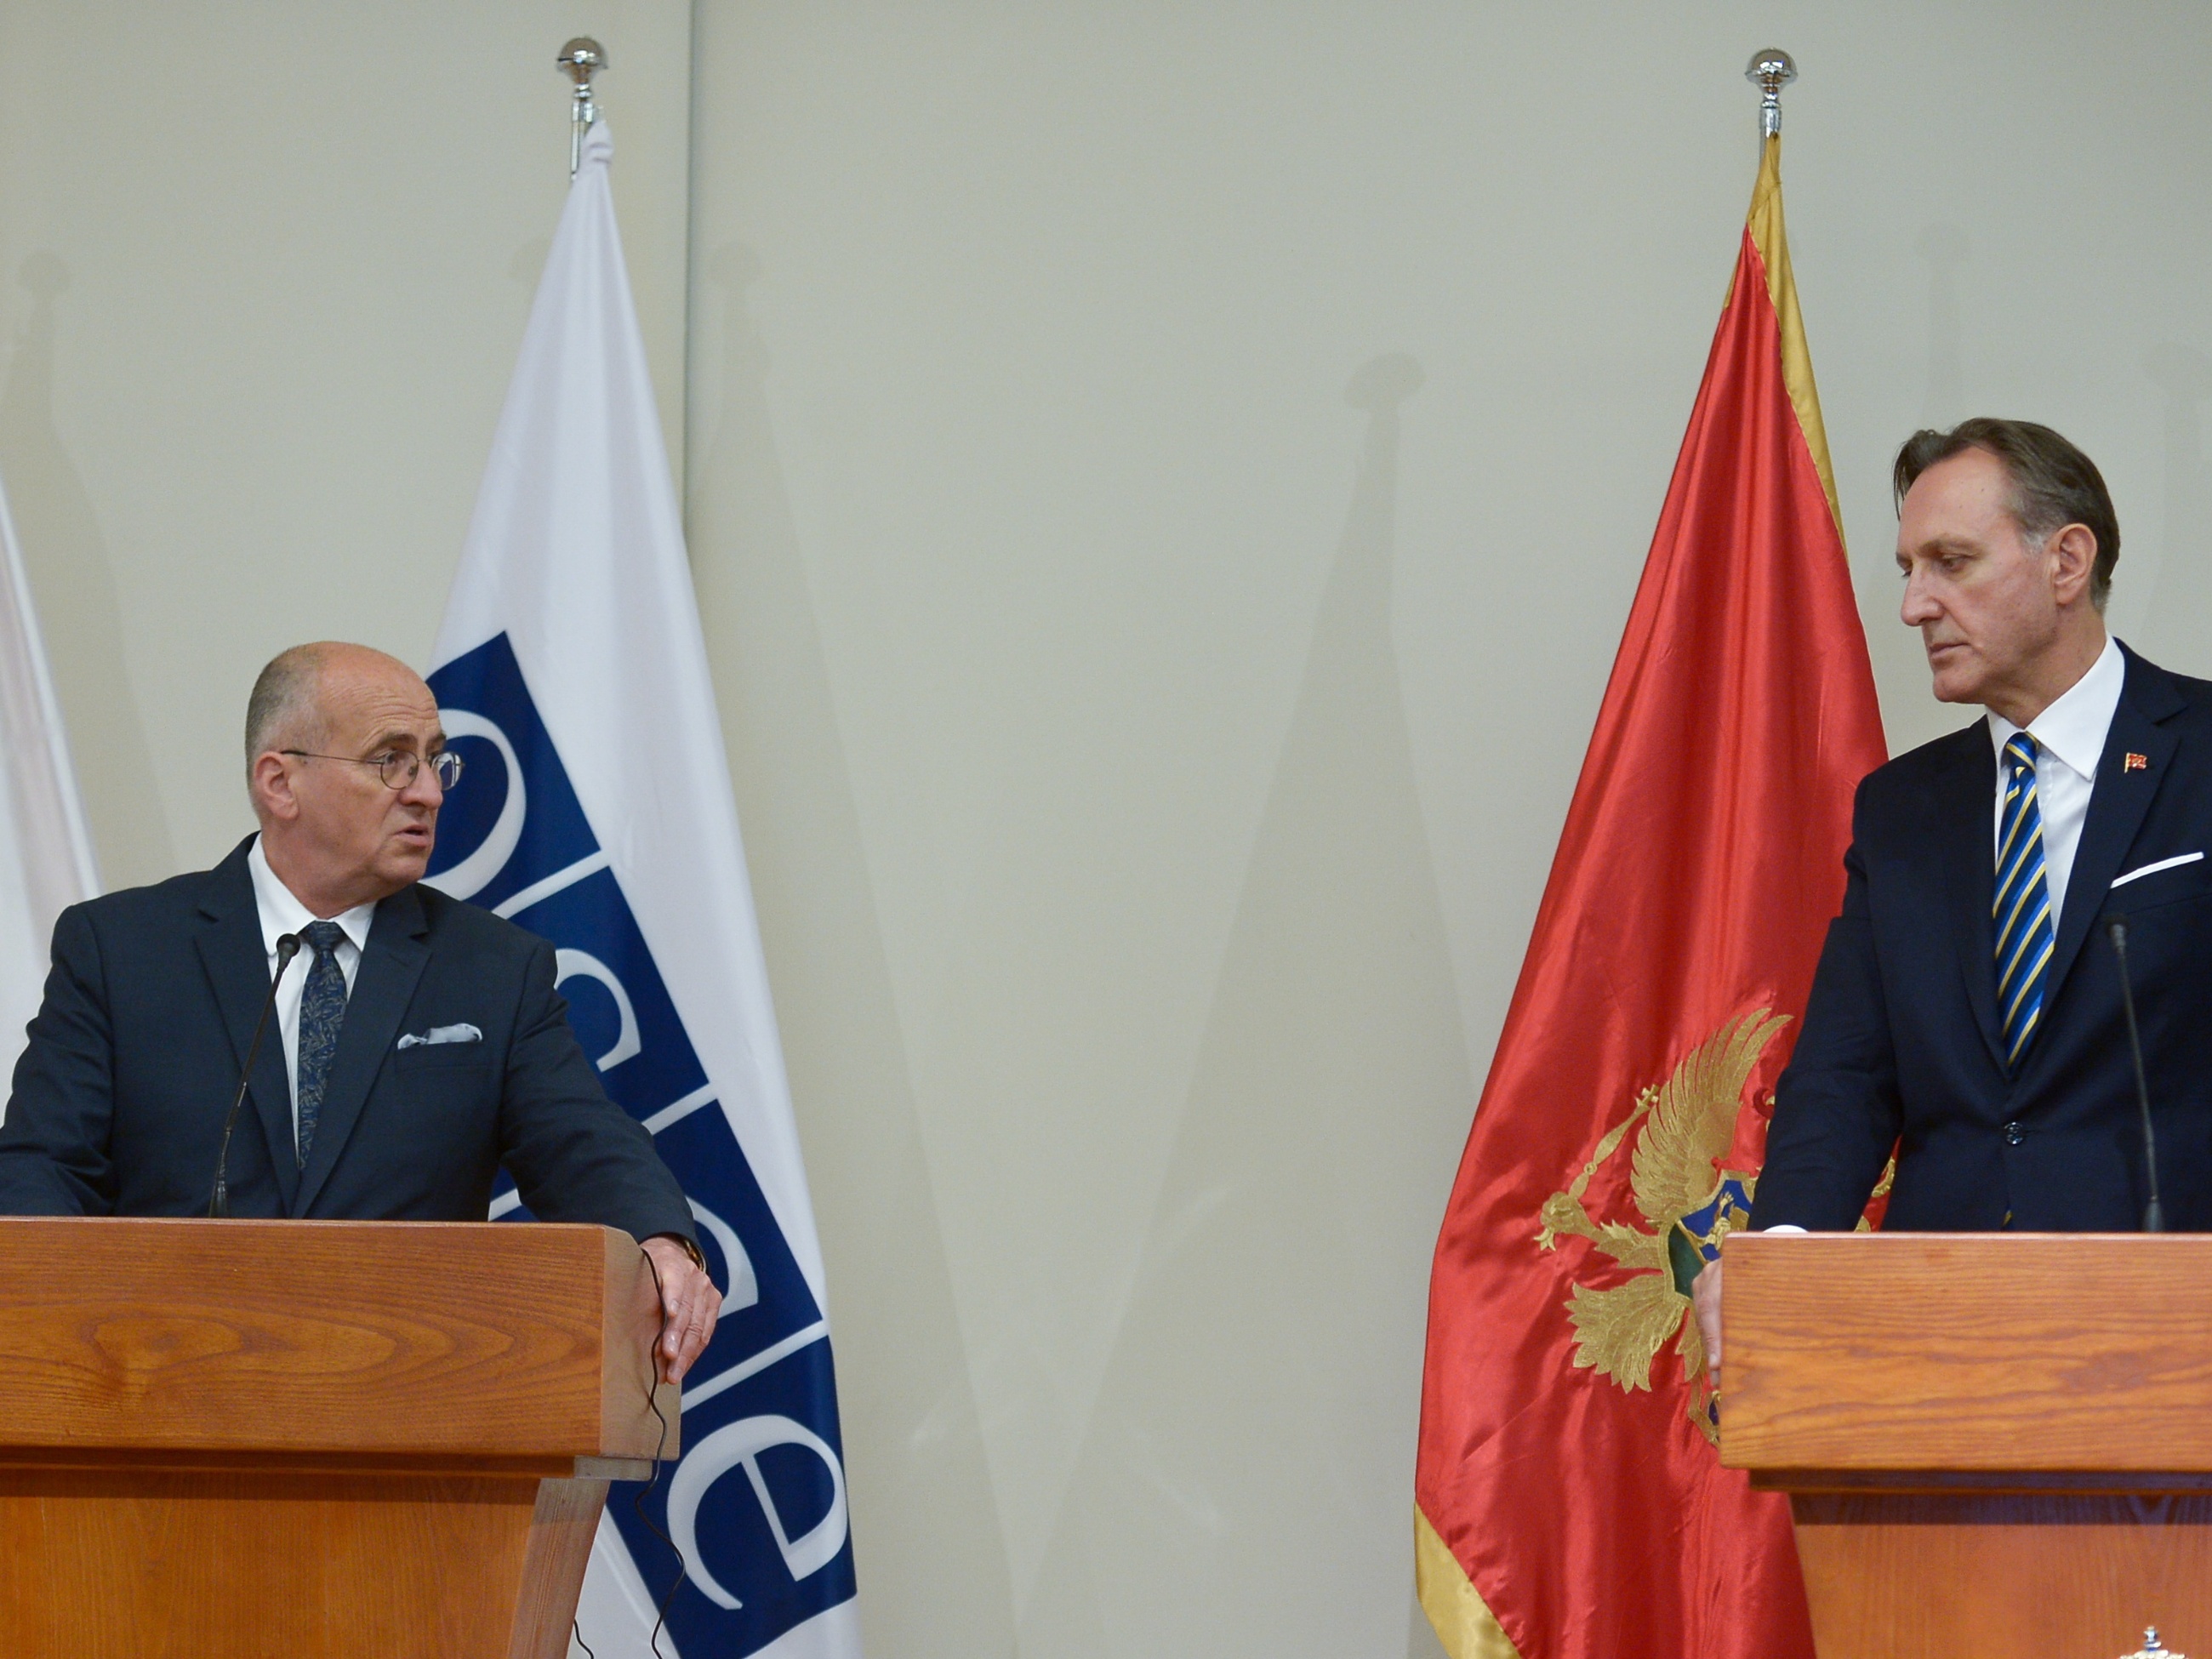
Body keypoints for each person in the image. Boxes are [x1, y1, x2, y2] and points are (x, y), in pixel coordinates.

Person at [0, 641, 721, 1382]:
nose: (429, 793)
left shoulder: (494, 971)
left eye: (436, 761)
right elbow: (41, 1165)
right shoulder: (122, 950)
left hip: (406, 1396)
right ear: (280, 782)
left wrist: (661, 1242)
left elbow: (582, 1142)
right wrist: (56, 1326)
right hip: (154, 1390)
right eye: (391, 760)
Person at [1696, 419, 2212, 1370]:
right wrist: (1782, 1249)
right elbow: (1845, 1072)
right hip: (1940, 1341)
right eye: (1906, 569)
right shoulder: (1900, 810)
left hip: (2169, 1336)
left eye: (1949, 562)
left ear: (2064, 561)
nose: (1911, 606)